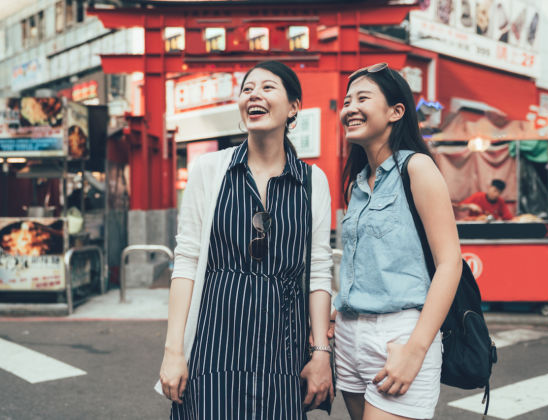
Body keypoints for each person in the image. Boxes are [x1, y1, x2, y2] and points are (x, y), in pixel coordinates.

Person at [159, 60, 334, 419]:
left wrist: (320, 354)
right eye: (247, 89)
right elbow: (188, 260)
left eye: (268, 87)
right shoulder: (210, 171)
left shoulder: (313, 181)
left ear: (294, 107)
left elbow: (318, 271)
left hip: (283, 348)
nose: (254, 95)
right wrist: (173, 350)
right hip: (214, 343)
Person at [328, 63, 462, 420]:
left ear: (395, 111)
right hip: (349, 334)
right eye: (346, 100)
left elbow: (451, 263)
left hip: (400, 333)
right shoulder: (357, 182)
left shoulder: (417, 168)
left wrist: (415, 350)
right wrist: (342, 305)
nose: (349, 108)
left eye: (362, 98)